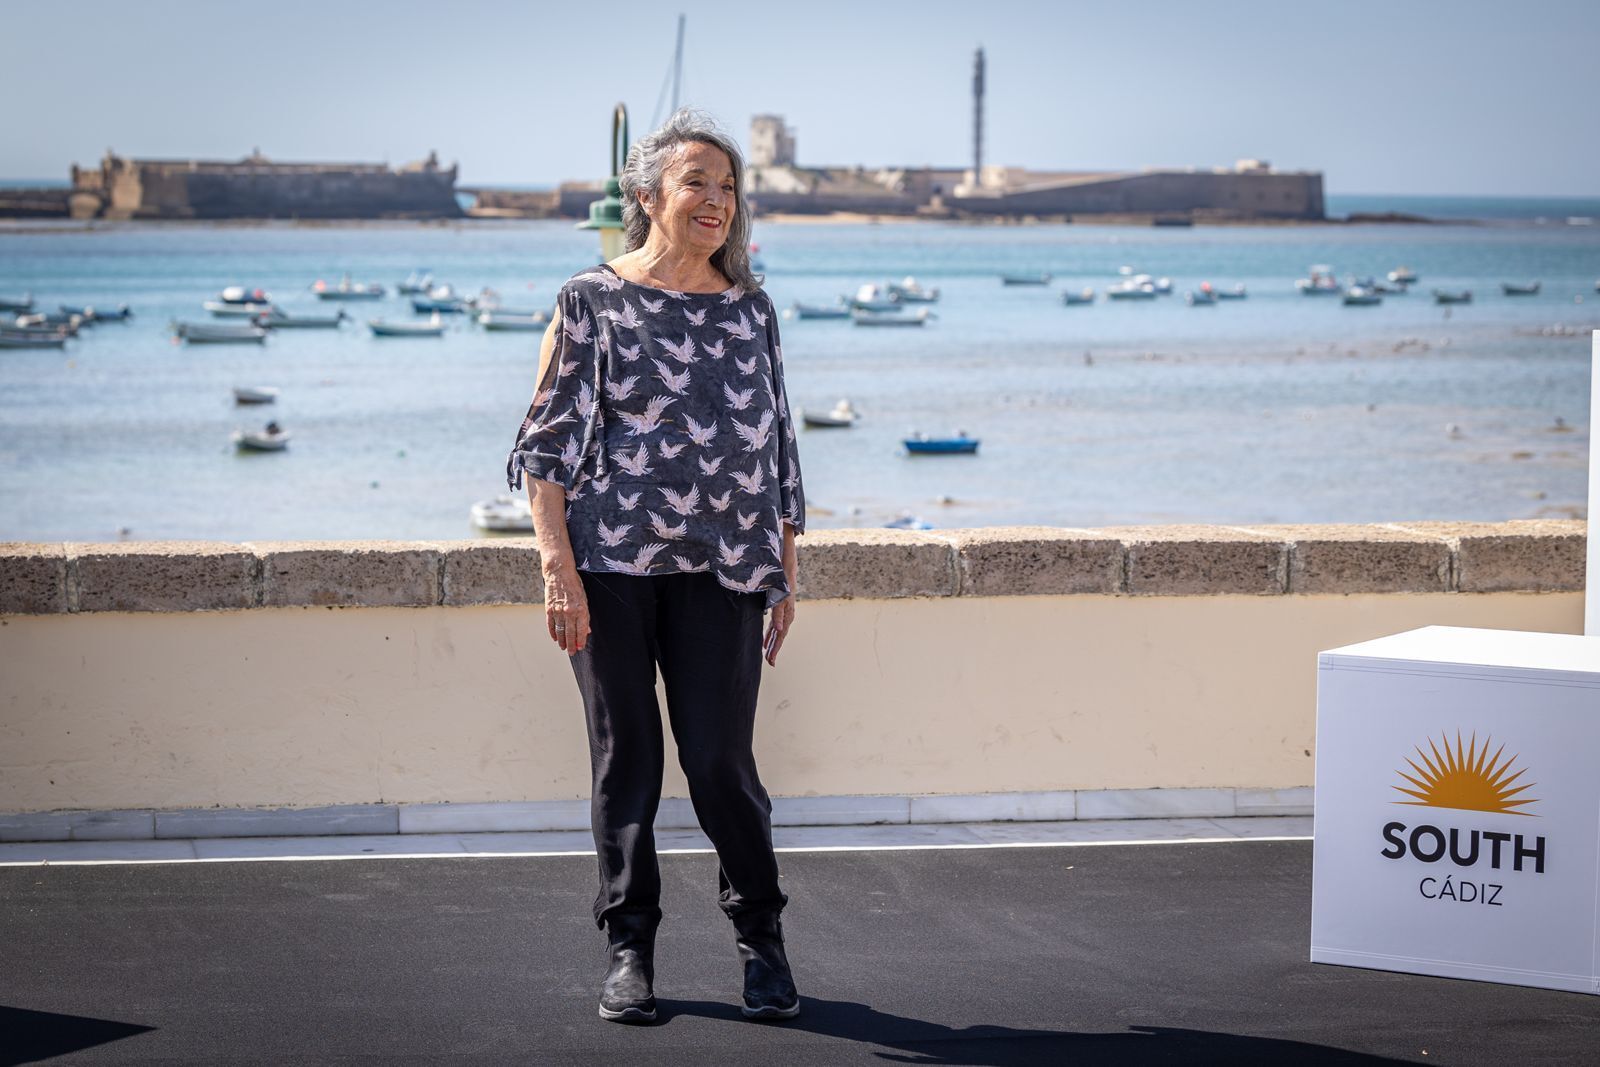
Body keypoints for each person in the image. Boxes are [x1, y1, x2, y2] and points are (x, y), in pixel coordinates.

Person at [505, 109, 805, 1025]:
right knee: (625, 760)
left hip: (725, 567)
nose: (717, 201)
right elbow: (547, 447)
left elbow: (776, 447)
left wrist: (784, 566)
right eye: (696, 183)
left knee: (720, 761)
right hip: (611, 567)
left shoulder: (751, 308)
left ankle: (761, 939)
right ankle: (629, 948)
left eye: (728, 187)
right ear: (646, 195)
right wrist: (557, 569)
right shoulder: (591, 301)